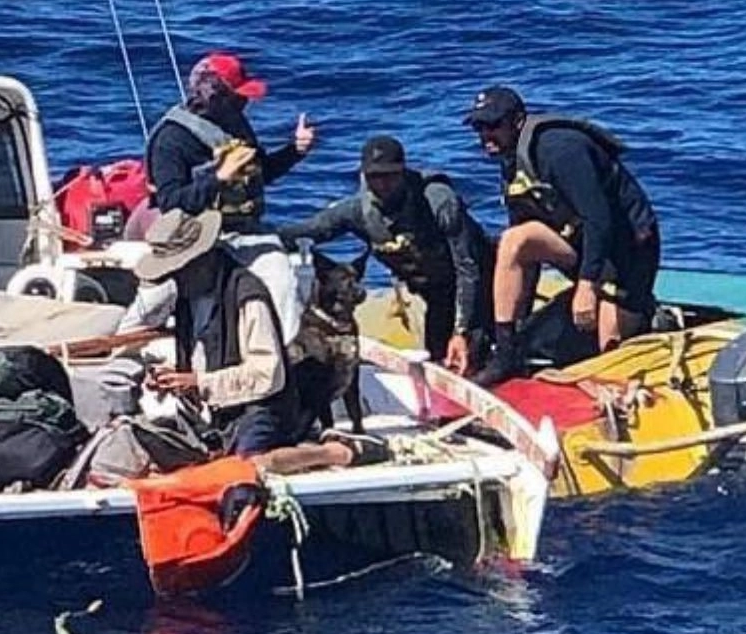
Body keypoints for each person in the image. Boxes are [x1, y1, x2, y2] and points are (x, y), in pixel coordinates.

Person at [136, 208, 390, 474]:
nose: (176, 280)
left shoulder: (247, 296)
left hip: (263, 408)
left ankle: (335, 452)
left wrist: (200, 382)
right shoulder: (189, 299)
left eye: (180, 270)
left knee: (248, 466)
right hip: (217, 411)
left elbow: (269, 375)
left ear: (201, 260)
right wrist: (177, 378)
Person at [464, 85, 661, 386]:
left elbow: (599, 219)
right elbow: (524, 249)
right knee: (515, 240)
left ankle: (648, 315)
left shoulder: (560, 149)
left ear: (517, 121)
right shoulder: (512, 160)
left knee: (609, 347)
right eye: (479, 127)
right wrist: (517, 323)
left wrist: (587, 285)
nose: (485, 135)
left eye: (493, 125)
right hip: (579, 244)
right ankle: (506, 354)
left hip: (627, 252)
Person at [278, 135, 495, 376]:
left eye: (390, 176)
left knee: (479, 361)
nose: (382, 184)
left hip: (481, 287)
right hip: (437, 297)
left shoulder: (437, 200)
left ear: (403, 172)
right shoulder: (357, 211)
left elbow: (469, 267)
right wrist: (251, 235)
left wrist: (462, 331)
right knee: (440, 364)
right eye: (374, 177)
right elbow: (306, 232)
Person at [143, 52, 316, 345]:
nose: (244, 104)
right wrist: (219, 177)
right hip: (196, 241)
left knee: (284, 286)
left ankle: (283, 362)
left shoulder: (236, 125)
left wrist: (295, 151)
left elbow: (261, 175)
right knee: (205, 308)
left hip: (247, 233)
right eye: (237, 98)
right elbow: (171, 202)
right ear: (214, 95)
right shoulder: (171, 140)